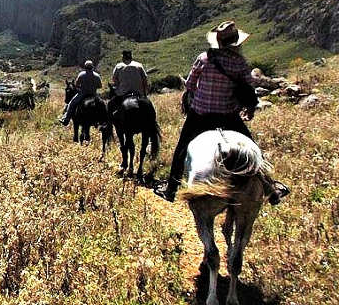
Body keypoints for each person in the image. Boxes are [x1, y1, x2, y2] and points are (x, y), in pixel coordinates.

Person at [153, 21, 288, 203]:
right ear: (236, 43)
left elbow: (190, 85)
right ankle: (270, 188)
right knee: (253, 149)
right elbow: (249, 86)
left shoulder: (204, 58)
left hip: (200, 115)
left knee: (182, 148)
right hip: (228, 116)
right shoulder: (239, 62)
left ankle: (171, 188)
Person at [59, 60, 102, 126]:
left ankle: (66, 119)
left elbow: (76, 85)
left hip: (83, 93)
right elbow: (100, 86)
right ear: (92, 67)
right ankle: (101, 121)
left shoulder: (81, 74)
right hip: (93, 94)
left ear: (85, 67)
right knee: (101, 106)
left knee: (71, 103)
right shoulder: (97, 75)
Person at [108, 50, 149, 115]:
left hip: (123, 93)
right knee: (149, 107)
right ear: (131, 56)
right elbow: (145, 79)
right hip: (139, 93)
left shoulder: (118, 66)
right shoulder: (139, 65)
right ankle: (154, 123)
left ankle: (108, 123)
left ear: (123, 57)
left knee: (110, 105)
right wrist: (145, 93)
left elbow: (114, 79)